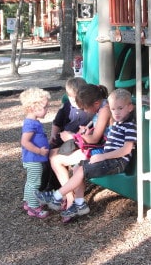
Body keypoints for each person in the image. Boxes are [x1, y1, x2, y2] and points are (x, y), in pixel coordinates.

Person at [36, 88, 136, 221]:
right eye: (113, 109)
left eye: (120, 108)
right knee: (75, 164)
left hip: (113, 159)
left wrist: (77, 138)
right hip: (108, 156)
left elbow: (124, 149)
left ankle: (59, 197)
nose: (115, 112)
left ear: (129, 108)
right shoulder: (118, 121)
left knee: (77, 166)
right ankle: (78, 203)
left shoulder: (124, 122)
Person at [38, 84, 112, 209]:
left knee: (57, 161)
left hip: (103, 149)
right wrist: (85, 132)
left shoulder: (105, 110)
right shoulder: (101, 107)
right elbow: (97, 134)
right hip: (97, 146)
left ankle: (69, 199)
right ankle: (70, 198)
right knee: (53, 156)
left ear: (96, 103)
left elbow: (95, 139)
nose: (84, 111)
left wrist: (73, 136)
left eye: (85, 108)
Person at [40, 77, 92, 192]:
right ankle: (44, 185)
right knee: (46, 156)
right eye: (72, 100)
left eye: (77, 100)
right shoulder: (67, 106)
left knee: (55, 156)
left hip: (77, 142)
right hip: (62, 138)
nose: (75, 103)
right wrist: (53, 135)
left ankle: (56, 186)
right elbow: (57, 122)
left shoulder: (89, 109)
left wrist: (79, 135)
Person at [19, 87, 52, 219]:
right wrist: (39, 151)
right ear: (33, 108)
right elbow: (25, 142)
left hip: (33, 159)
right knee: (35, 183)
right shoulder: (30, 124)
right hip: (34, 159)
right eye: (45, 107)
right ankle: (34, 208)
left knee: (30, 182)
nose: (47, 110)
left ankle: (28, 202)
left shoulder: (33, 122)